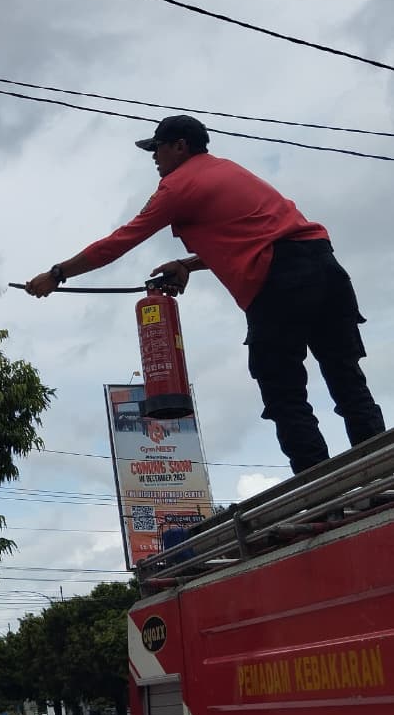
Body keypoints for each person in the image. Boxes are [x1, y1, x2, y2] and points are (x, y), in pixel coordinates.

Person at [25, 114, 386, 474]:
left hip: (280, 283)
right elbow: (261, 239)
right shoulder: (227, 170)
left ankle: (322, 497)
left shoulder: (178, 185)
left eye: (158, 149)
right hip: (325, 267)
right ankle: (383, 480)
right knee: (346, 380)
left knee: (285, 395)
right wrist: (187, 265)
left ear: (180, 146)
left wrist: (58, 274)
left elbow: (119, 242)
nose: (154, 157)